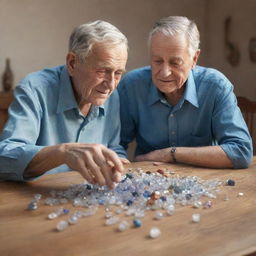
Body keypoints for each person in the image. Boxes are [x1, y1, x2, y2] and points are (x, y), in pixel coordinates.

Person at [0, 20, 129, 188]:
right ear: (72, 63)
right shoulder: (35, 88)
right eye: (102, 71)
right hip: (34, 200)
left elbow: (113, 146)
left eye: (118, 73)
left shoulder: (111, 94)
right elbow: (5, 158)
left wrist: (117, 162)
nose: (111, 84)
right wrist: (63, 152)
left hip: (87, 198)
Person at [118, 16, 253, 169]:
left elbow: (241, 151)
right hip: (149, 180)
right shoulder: (132, 86)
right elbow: (114, 145)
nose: (165, 72)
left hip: (205, 182)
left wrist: (170, 154)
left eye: (175, 63)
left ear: (194, 58)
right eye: (157, 61)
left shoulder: (215, 86)